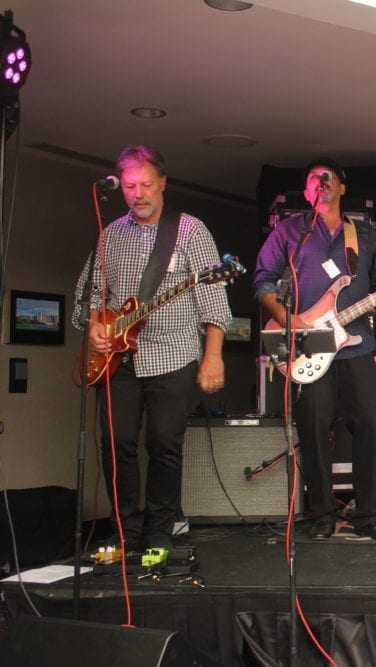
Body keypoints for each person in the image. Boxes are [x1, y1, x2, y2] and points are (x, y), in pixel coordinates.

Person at [254, 158, 376, 541]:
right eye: (314, 178)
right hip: (309, 345)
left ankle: (370, 516)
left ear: (342, 188)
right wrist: (286, 317)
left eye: (328, 177)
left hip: (356, 345)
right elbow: (263, 279)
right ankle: (323, 516)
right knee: (313, 430)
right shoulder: (289, 232)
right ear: (307, 191)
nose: (322, 181)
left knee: (369, 427)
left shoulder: (362, 234)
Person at [75, 144, 232, 553]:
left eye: (146, 185)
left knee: (164, 445)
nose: (138, 194)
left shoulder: (190, 231)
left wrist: (212, 356)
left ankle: (160, 531)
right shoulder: (111, 234)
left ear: (163, 183)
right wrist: (95, 327)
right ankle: (125, 531)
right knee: (116, 444)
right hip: (117, 359)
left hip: (173, 355)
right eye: (130, 186)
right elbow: (90, 295)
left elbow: (214, 302)